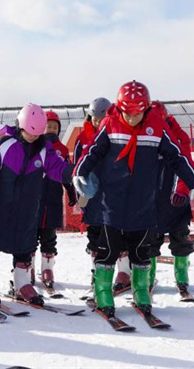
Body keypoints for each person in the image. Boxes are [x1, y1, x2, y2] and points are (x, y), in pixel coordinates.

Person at [73, 81, 194, 318]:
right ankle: (103, 291)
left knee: (141, 251)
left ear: (146, 109)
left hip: (143, 203)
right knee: (108, 249)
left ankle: (141, 290)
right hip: (112, 203)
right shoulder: (110, 124)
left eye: (138, 113)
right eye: (128, 113)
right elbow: (93, 151)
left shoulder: (157, 127)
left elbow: (177, 156)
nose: (133, 118)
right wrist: (79, 172)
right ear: (120, 108)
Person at [0, 103, 73, 306]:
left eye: (37, 133)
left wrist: (73, 172)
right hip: (1, 207)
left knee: (25, 247)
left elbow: (58, 167)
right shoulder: (4, 145)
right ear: (20, 125)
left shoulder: (44, 151)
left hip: (28, 209)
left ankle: (22, 284)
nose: (32, 136)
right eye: (28, 132)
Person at [144, 101, 194, 299]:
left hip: (176, 203)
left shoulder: (177, 139)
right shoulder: (146, 136)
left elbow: (186, 166)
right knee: (149, 244)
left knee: (180, 242)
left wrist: (182, 191)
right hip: (152, 204)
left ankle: (182, 279)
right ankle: (147, 279)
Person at [74, 98, 116, 289]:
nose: (98, 122)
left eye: (102, 118)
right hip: (91, 196)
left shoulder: (116, 136)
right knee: (95, 236)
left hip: (112, 195)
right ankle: (96, 273)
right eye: (95, 119)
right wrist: (79, 197)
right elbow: (76, 168)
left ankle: (122, 273)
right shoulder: (82, 138)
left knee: (116, 234)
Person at [36, 110, 77, 287]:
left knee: (49, 236)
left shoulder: (61, 149)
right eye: (48, 126)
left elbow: (67, 173)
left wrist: (71, 193)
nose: (51, 129)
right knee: (29, 237)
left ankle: (47, 268)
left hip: (52, 199)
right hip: (34, 199)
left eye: (54, 127)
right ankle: (26, 268)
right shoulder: (34, 145)